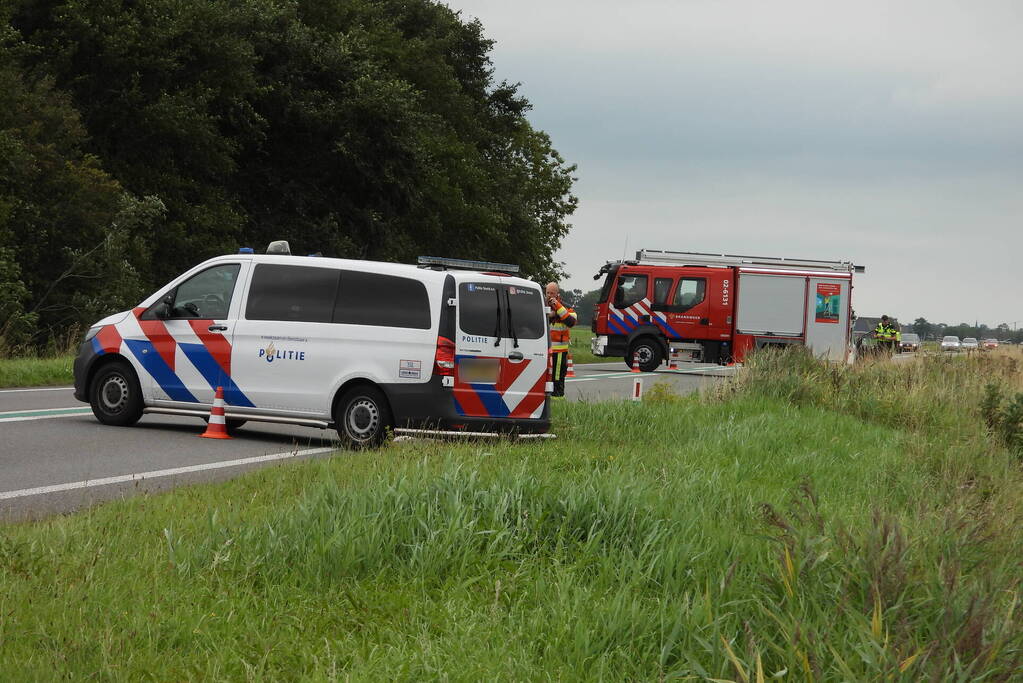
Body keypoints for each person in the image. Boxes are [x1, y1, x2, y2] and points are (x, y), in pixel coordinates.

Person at [545, 282, 577, 397]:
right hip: (544, 350)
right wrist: (549, 314)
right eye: (547, 292)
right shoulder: (542, 304)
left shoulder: (566, 306)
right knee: (545, 377)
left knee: (557, 378)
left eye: (552, 293)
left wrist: (557, 306)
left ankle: (558, 399)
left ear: (557, 294)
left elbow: (571, 322)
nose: (549, 295)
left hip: (559, 351)